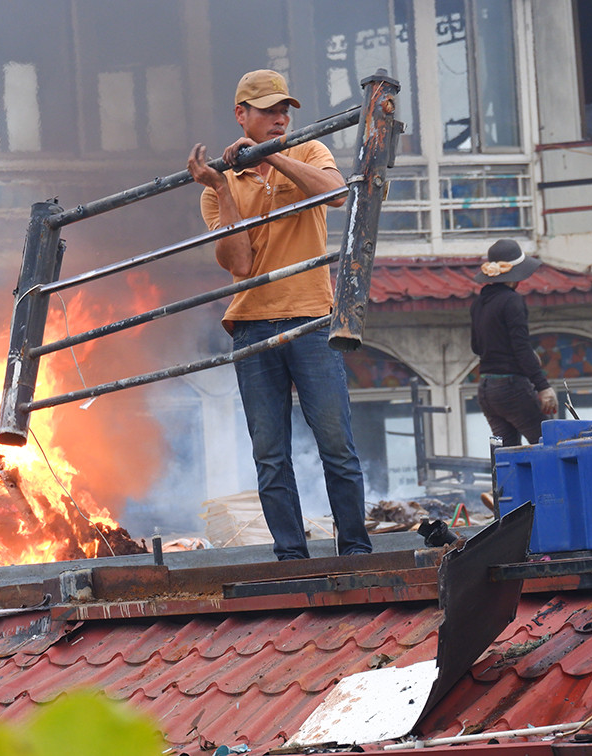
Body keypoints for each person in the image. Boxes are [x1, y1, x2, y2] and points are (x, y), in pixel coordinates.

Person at [186, 69, 372, 561]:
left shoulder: (307, 151)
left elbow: (337, 193)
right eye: (268, 110)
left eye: (284, 110)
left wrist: (272, 155)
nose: (280, 118)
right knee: (270, 454)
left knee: (336, 443)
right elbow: (239, 264)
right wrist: (223, 188)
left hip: (311, 317)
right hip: (251, 324)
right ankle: (291, 556)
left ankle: (356, 549)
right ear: (241, 114)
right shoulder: (217, 186)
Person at [470, 239, 559, 447]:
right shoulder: (512, 301)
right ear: (517, 275)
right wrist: (543, 387)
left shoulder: (479, 303)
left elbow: (477, 347)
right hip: (511, 388)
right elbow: (521, 348)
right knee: (548, 443)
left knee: (506, 452)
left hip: (487, 390)